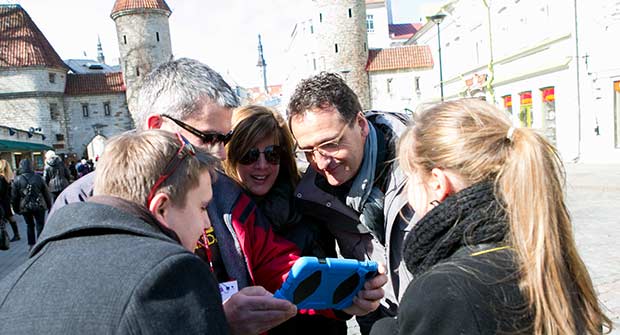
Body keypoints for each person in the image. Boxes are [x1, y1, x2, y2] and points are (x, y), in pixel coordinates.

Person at [50, 58, 387, 335]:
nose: (221, 152)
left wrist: (338, 294)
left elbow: (275, 263)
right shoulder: (81, 202)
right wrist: (216, 323)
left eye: (225, 138)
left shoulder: (224, 191)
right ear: (156, 126)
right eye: (208, 137)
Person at [370, 98, 614, 335]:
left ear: (437, 183)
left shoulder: (444, 289)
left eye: (410, 177)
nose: (407, 192)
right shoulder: (546, 252)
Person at [0, 130, 229, 334]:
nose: (207, 223)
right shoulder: (171, 274)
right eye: (202, 207)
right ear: (161, 208)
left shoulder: (11, 285)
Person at [287, 72, 412, 334]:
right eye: (308, 151)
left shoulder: (423, 163)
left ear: (361, 125)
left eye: (330, 144)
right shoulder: (312, 194)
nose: (321, 162)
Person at [223, 105, 347, 334]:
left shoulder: (309, 204)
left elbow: (320, 284)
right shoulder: (218, 214)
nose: (262, 165)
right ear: (229, 155)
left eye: (272, 154)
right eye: (249, 155)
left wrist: (347, 298)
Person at [11, 159, 52, 249]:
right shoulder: (38, 177)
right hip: (39, 205)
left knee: (29, 225)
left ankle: (31, 244)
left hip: (25, 206)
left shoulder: (17, 179)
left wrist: (16, 209)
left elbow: (14, 197)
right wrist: (49, 206)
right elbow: (46, 193)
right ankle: (41, 243)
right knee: (40, 224)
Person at [0, 160, 20, 241]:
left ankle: (4, 238)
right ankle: (16, 234)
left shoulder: (1, 178)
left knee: (3, 219)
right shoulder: (8, 177)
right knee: (10, 217)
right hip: (6, 201)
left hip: (1, 201)